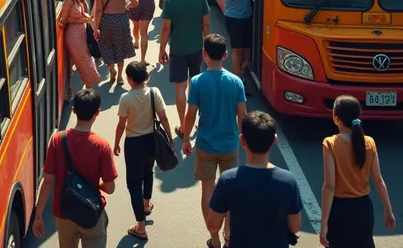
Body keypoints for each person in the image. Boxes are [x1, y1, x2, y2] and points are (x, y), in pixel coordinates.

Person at [183, 34, 247, 248]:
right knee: (230, 191)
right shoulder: (236, 82)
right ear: (225, 55)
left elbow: (191, 114)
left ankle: (215, 237)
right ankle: (229, 233)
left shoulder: (197, 82)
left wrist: (185, 138)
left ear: (204, 54)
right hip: (230, 145)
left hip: (205, 145)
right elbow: (243, 115)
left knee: (207, 190)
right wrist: (244, 138)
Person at [32, 89, 118, 248]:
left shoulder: (58, 140)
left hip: (64, 213)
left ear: (73, 111)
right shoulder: (102, 146)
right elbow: (110, 188)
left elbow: (48, 181)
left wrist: (38, 216)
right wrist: (95, 185)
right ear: (97, 113)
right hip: (92, 214)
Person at [207, 111, 303, 248]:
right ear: (274, 140)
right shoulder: (288, 181)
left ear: (242, 140)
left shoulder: (228, 179)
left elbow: (213, 225)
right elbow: (295, 227)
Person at [320, 95, 395, 248]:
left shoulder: (330, 143)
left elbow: (329, 186)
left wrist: (324, 222)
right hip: (364, 209)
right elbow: (378, 180)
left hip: (340, 210)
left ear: (336, 117)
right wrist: (388, 209)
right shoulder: (369, 142)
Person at [114, 62, 173, 242]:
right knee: (148, 172)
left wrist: (116, 143)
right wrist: (170, 138)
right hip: (151, 142)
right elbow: (163, 118)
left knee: (133, 184)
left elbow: (122, 124)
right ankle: (146, 204)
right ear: (146, 77)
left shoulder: (126, 98)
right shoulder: (154, 93)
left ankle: (140, 226)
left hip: (133, 144)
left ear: (130, 79)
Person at [159, 0, 210, 138]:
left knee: (180, 88)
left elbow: (165, 28)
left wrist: (161, 50)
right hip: (197, 47)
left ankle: (182, 126)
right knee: (196, 85)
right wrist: (208, 45)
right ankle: (198, 121)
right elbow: (206, 23)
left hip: (178, 49)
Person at [94, 0, 138, 85]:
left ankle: (111, 70)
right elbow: (135, 2)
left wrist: (96, 28)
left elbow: (98, 11)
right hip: (121, 20)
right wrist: (125, 7)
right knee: (120, 47)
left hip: (106, 21)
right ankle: (119, 76)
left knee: (106, 47)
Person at [59, 0, 100, 99]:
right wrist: (80, 19)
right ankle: (89, 89)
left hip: (81, 33)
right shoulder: (68, 1)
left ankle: (88, 88)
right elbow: (63, 20)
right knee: (83, 60)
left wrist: (83, 18)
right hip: (73, 35)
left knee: (85, 58)